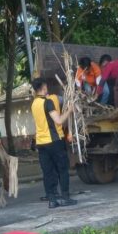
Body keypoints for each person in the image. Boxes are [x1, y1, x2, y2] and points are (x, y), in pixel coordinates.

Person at [30, 78, 77, 208]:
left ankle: (52, 200)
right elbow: (59, 120)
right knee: (62, 169)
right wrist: (69, 110)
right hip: (54, 141)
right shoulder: (48, 102)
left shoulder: (34, 104)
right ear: (43, 88)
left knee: (48, 172)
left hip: (41, 143)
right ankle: (65, 197)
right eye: (46, 87)